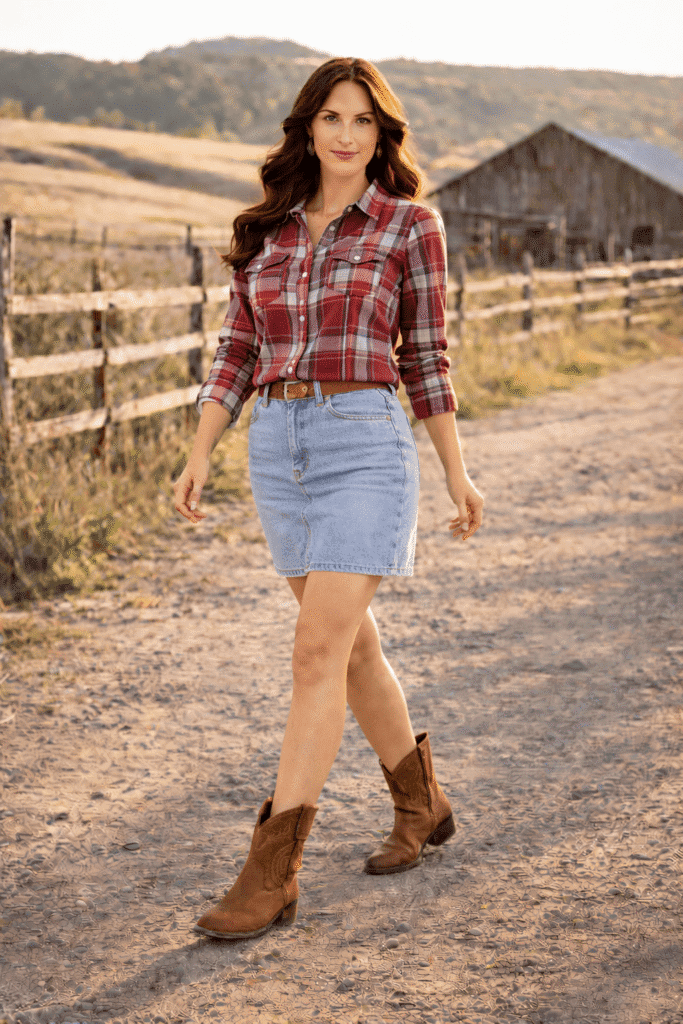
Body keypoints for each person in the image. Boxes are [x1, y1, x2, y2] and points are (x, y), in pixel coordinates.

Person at [172, 56, 484, 941]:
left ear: (382, 135)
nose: (347, 134)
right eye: (331, 118)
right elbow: (236, 349)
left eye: (364, 121)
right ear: (307, 128)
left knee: (314, 654)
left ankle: (271, 874)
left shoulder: (406, 227)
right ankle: (421, 807)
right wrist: (201, 450)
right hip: (278, 449)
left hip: (364, 448)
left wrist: (455, 472)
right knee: (348, 654)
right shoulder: (265, 232)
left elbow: (425, 356)